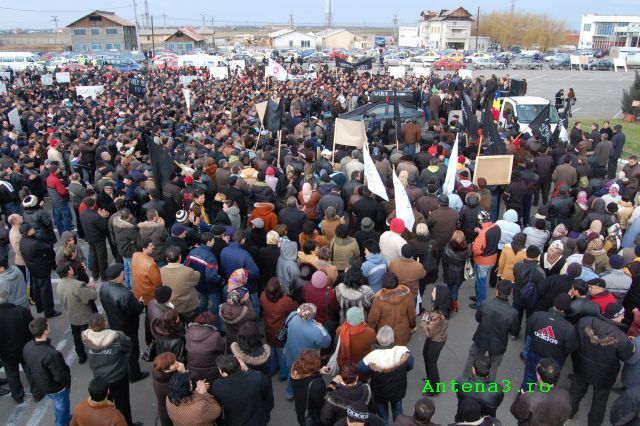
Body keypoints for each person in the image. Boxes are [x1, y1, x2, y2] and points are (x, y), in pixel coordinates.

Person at [570, 302, 636, 426]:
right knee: (599, 401)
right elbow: (627, 356)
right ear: (615, 316)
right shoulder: (621, 338)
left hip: (582, 366)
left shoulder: (585, 321)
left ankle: (569, 413)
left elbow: (575, 337)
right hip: (604, 376)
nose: (623, 317)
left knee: (576, 391)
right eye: (621, 315)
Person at [82, 313, 140, 426]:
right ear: (105, 323)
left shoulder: (86, 338)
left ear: (90, 326)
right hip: (118, 377)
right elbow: (128, 346)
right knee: (123, 405)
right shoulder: (117, 337)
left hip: (100, 379)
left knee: (103, 406)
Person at [99, 263, 147, 383]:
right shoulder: (125, 294)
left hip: (114, 323)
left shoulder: (104, 287)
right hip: (127, 327)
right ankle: (134, 375)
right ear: (118, 276)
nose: (124, 273)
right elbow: (135, 310)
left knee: (121, 349)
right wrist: (140, 303)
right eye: (122, 272)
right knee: (132, 352)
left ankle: (124, 367)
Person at [464, 280, 519, 382]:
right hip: (498, 345)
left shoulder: (486, 304)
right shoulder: (513, 313)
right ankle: (489, 386)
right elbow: (513, 331)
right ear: (509, 293)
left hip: (481, 339)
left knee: (472, 359)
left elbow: (478, 318)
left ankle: (466, 381)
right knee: (493, 367)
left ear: (497, 291)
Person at [358, 326, 414, 424]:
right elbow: (410, 365)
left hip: (380, 392)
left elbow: (362, 369)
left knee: (382, 416)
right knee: (398, 413)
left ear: (378, 338)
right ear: (393, 339)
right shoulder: (402, 351)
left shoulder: (372, 356)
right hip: (398, 390)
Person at [521, 294, 578, 389]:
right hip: (553, 361)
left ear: (554, 303)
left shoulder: (537, 316)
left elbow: (529, 332)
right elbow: (571, 347)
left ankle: (524, 395)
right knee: (547, 382)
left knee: (529, 377)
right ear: (567, 308)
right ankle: (543, 398)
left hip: (534, 354)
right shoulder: (569, 328)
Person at [23, 317, 71, 426]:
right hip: (56, 388)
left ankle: (64, 420)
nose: (49, 326)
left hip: (41, 383)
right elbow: (60, 375)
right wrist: (67, 384)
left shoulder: (27, 346)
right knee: (61, 407)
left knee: (60, 406)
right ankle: (63, 423)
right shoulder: (51, 354)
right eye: (48, 325)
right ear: (45, 332)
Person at [212, 354, 273, 426]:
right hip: (258, 421)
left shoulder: (217, 386)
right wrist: (247, 369)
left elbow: (218, 409)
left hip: (235, 422)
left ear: (223, 372)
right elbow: (269, 398)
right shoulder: (257, 377)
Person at [55, 262, 97, 364]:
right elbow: (90, 297)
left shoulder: (60, 284)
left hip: (72, 315)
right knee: (90, 336)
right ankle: (95, 354)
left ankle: (81, 355)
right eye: (70, 268)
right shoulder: (77, 285)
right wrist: (92, 287)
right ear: (69, 271)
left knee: (77, 337)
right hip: (84, 316)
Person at [510, 358, 572, 426]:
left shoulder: (528, 398)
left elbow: (517, 414)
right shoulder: (565, 395)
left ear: (538, 376)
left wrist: (523, 399)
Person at [0, 288, 35, 403]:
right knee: (30, 370)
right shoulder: (21, 311)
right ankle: (37, 392)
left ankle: (17, 395)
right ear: (8, 297)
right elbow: (32, 328)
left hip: (5, 351)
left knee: (12, 374)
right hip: (25, 347)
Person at [260, 277, 298, 380]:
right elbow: (294, 308)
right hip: (281, 332)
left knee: (272, 351)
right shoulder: (285, 301)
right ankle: (283, 373)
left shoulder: (263, 295)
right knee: (282, 354)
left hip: (269, 329)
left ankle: (272, 369)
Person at [19, 223, 60, 317]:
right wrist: (52, 264)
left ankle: (40, 307)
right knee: (45, 290)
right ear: (27, 232)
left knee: (36, 287)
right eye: (31, 228)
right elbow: (48, 248)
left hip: (32, 268)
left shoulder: (22, 241)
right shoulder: (35, 244)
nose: (33, 229)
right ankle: (49, 310)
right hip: (41, 269)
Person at [320, 361, 377, 426]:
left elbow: (325, 419)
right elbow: (372, 411)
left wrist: (332, 384)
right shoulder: (367, 391)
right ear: (357, 377)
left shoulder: (332, 397)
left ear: (340, 377)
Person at [368, 272, 416, 345]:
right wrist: (412, 325)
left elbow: (373, 319)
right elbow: (412, 314)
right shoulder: (407, 295)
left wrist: (371, 332)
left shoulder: (378, 300)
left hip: (385, 335)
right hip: (402, 332)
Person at [132, 239, 163, 346]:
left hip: (139, 292)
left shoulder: (135, 255)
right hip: (150, 295)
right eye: (151, 245)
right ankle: (150, 338)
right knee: (151, 317)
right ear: (144, 248)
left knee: (148, 315)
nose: (153, 246)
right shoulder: (150, 264)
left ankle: (148, 339)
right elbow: (158, 282)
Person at [160, 245, 200, 324]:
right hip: (188, 305)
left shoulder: (162, 270)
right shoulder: (187, 271)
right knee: (191, 325)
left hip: (172, 305)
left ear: (167, 258)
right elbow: (197, 278)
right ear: (180, 257)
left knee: (178, 326)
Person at [470, 211, 501, 309]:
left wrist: (473, 245)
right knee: (480, 281)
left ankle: (480, 303)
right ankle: (478, 297)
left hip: (482, 261)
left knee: (481, 283)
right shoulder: (496, 227)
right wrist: (481, 231)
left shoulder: (483, 234)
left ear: (480, 221)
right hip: (492, 259)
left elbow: (476, 250)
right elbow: (492, 238)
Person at [185, 311, 225, 384]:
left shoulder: (189, 332)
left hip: (192, 371)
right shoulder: (215, 336)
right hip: (210, 372)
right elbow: (222, 350)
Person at [291, 349, 327, 426]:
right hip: (312, 416)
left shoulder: (295, 370)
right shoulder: (317, 385)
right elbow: (322, 401)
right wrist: (332, 384)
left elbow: (307, 376)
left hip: (300, 410)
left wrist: (319, 371)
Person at [79, 197, 110, 282]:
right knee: (101, 257)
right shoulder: (95, 216)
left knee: (93, 256)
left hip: (89, 238)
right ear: (94, 204)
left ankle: (95, 274)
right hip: (98, 239)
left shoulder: (83, 214)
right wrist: (103, 217)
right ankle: (104, 276)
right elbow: (104, 226)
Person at [152, 352, 185, 426]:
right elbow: (185, 389)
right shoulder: (166, 385)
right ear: (166, 369)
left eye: (175, 360)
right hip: (168, 410)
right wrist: (183, 372)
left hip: (163, 405)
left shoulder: (159, 372)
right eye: (173, 363)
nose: (177, 363)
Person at [442, 230, 470, 312]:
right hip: (460, 274)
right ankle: (454, 304)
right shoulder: (467, 249)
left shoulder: (447, 248)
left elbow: (444, 261)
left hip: (449, 272)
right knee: (455, 290)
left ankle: (448, 305)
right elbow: (468, 260)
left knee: (449, 289)